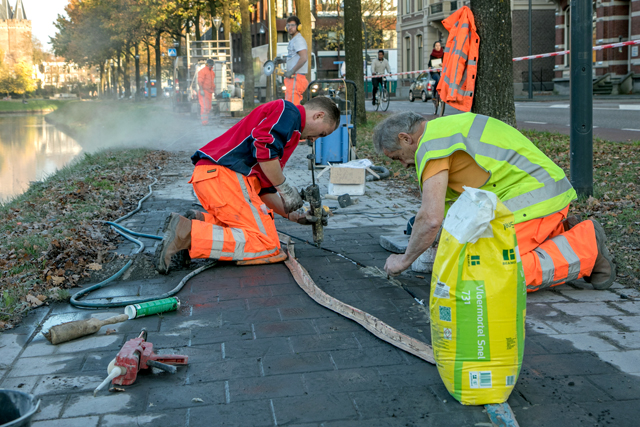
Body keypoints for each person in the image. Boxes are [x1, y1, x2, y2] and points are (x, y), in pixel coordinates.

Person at [373, 112, 616, 292]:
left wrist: (404, 260)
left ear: (405, 138)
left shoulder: (431, 145)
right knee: (473, 260)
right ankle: (560, 233)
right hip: (534, 196)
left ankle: (587, 246)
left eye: (397, 158)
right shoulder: (444, 130)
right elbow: (450, 212)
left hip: (535, 199)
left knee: (489, 273)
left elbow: (431, 219)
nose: (403, 165)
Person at [154, 96, 340, 274]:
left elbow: (265, 188)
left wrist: (296, 216)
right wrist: (285, 188)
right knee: (266, 244)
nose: (315, 139)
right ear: (319, 115)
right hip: (224, 178)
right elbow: (265, 150)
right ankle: (186, 234)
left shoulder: (287, 133)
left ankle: (199, 223)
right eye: (322, 133)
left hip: (213, 178)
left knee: (247, 232)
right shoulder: (288, 112)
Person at [283, 16, 309, 106]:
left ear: (298, 27)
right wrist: (282, 60)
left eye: (293, 25)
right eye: (288, 25)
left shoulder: (298, 40)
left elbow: (303, 58)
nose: (290, 27)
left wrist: (292, 71)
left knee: (293, 106)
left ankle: (295, 120)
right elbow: (294, 57)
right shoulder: (293, 40)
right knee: (290, 104)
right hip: (293, 78)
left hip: (296, 78)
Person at [198, 59, 216, 125]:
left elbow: (212, 83)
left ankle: (206, 121)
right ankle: (204, 122)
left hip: (209, 92)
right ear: (207, 64)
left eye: (212, 65)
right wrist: (201, 90)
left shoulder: (212, 72)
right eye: (210, 64)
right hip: (204, 91)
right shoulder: (202, 71)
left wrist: (214, 91)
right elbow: (200, 81)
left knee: (208, 107)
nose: (211, 66)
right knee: (204, 107)